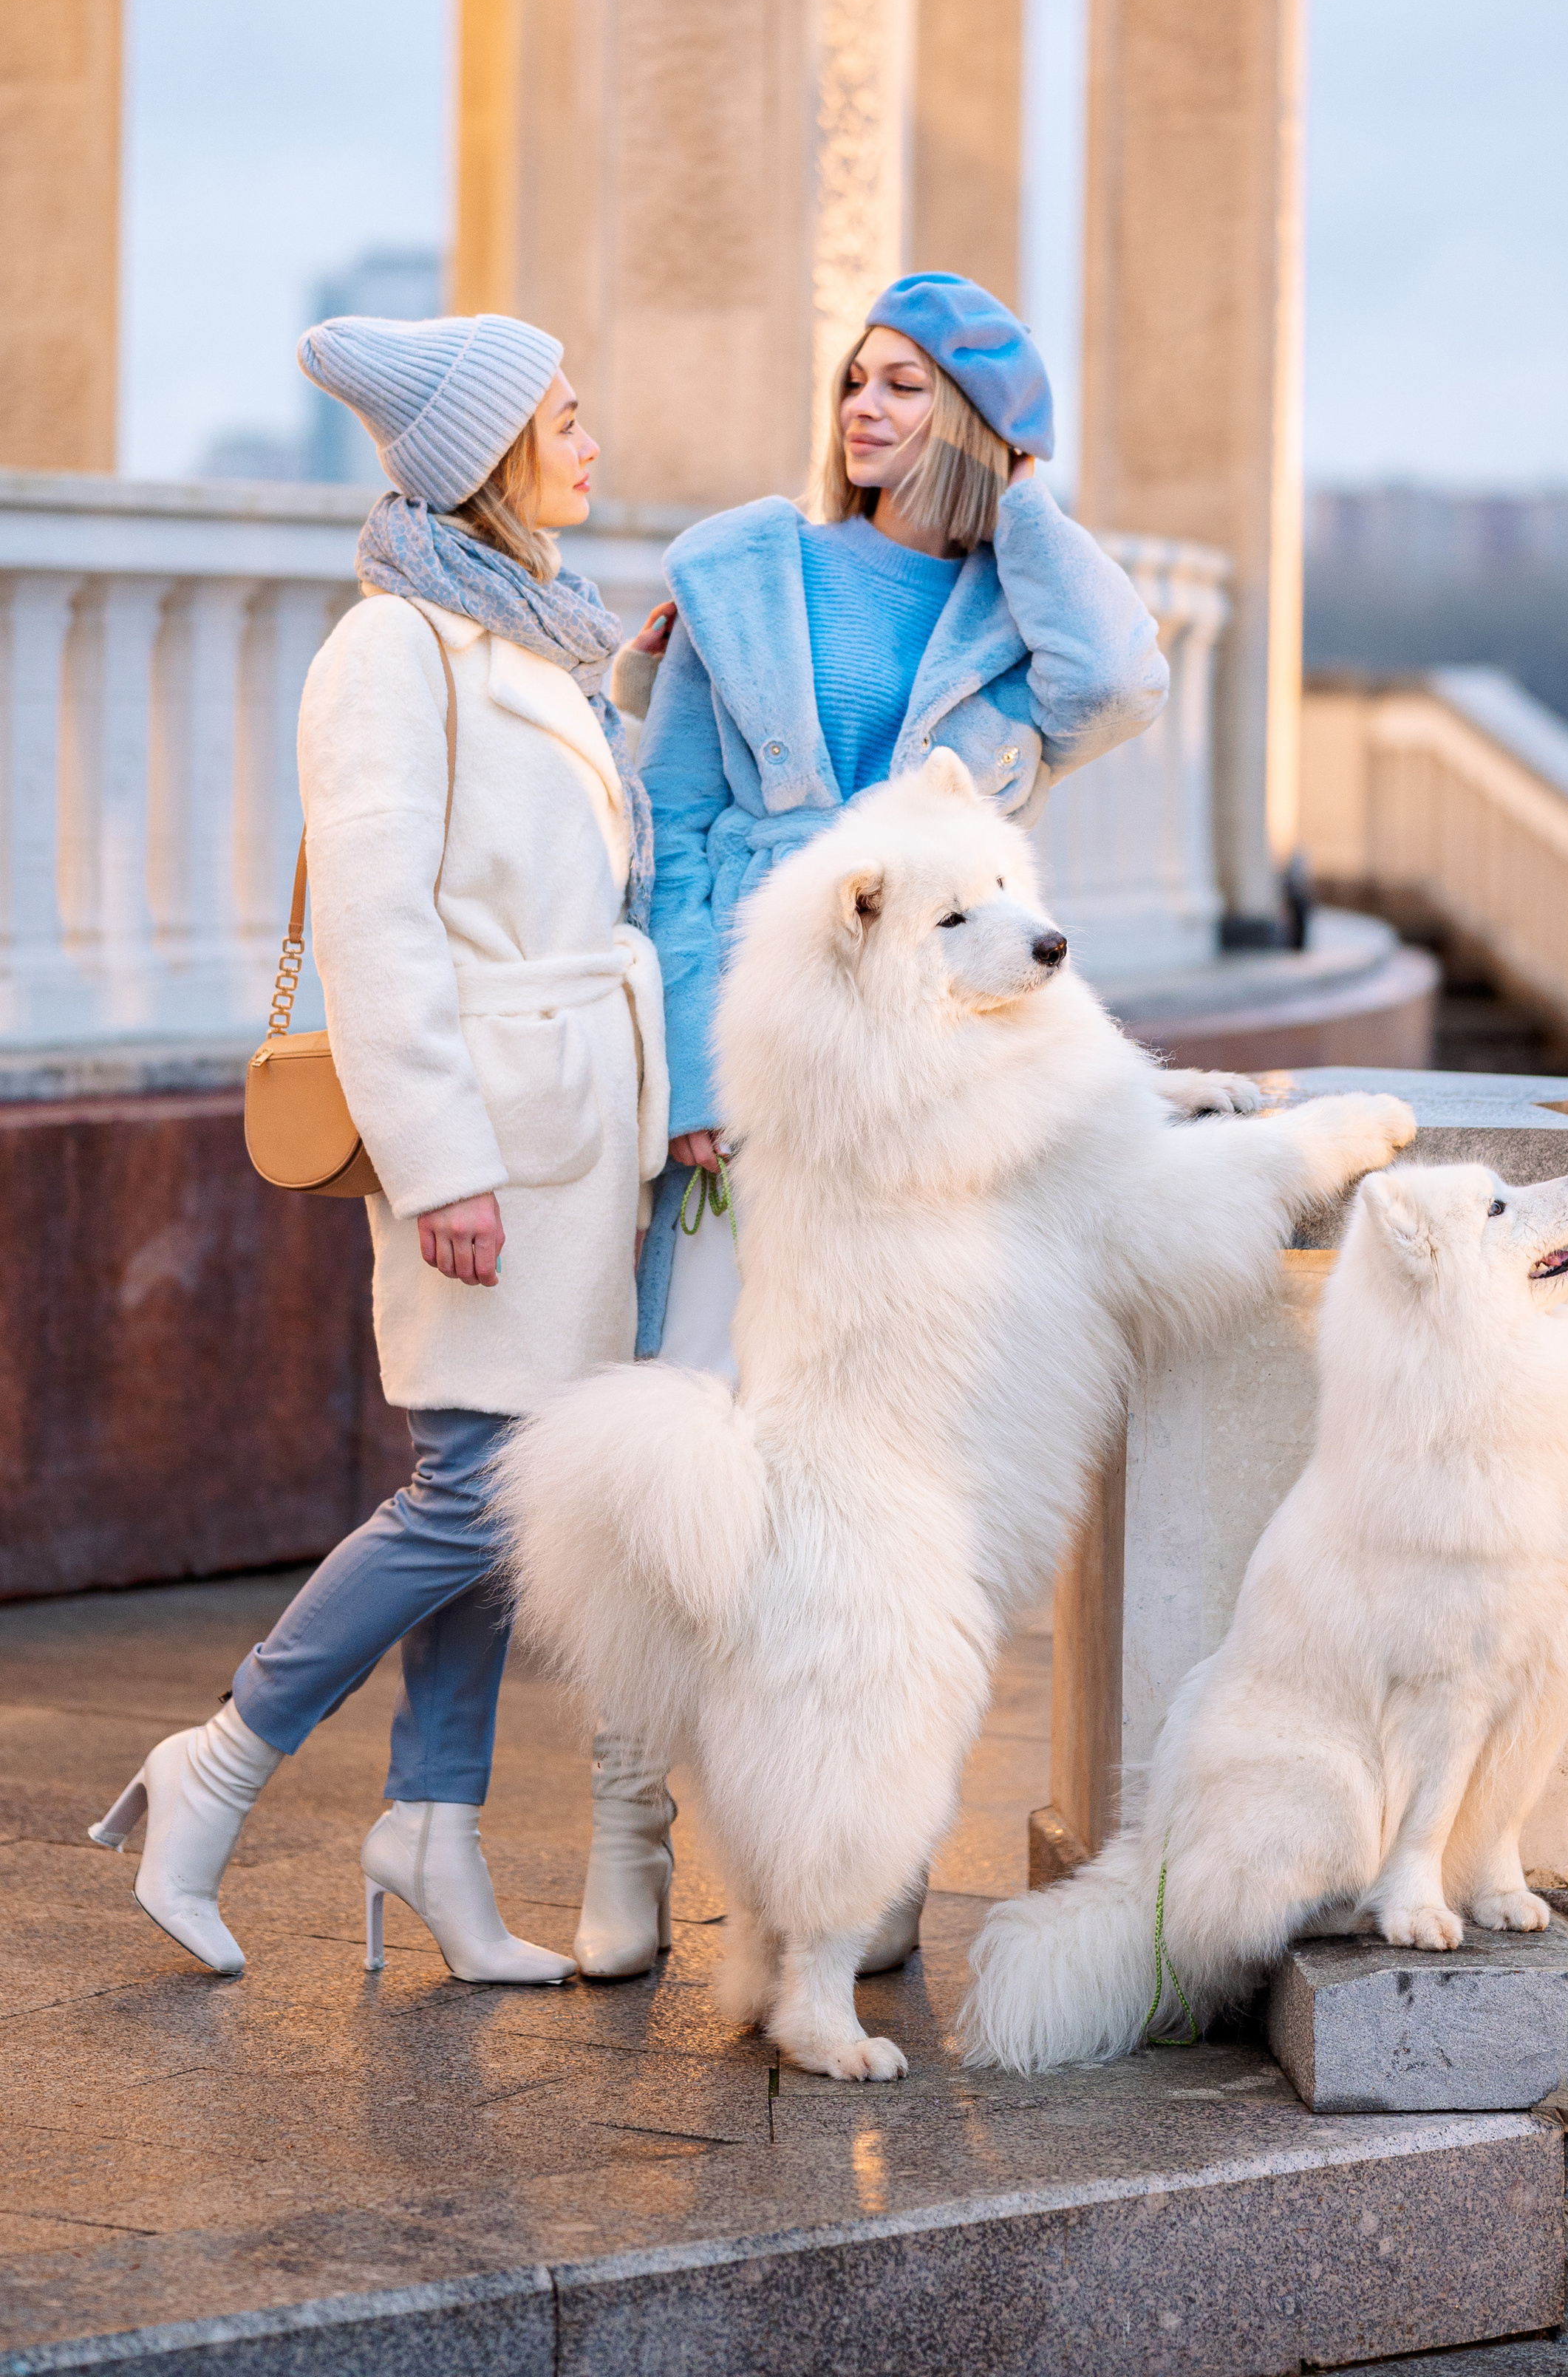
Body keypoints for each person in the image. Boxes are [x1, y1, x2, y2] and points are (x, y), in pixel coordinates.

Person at [570, 270, 1171, 1982]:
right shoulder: (744, 576)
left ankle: (864, 1840)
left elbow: (1120, 679)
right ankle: (629, 1822)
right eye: (856, 381)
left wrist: (1025, 489)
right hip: (756, 1084)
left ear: (974, 426)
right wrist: (697, 1083)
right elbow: (674, 837)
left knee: (895, 1478)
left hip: (921, 1113)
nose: (865, 411)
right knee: (680, 1443)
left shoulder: (1008, 620)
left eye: (909, 388)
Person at [89, 313, 670, 1986]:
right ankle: (219, 1763)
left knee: (510, 1504)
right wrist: (438, 1162)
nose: (587, 433)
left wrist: (622, 681)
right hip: (490, 1132)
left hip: (570, 1123)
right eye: (563, 413)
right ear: (488, 447)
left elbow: (553, 862)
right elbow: (376, 924)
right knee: (474, 1494)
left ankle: (431, 1823)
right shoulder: (387, 651)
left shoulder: (524, 634)